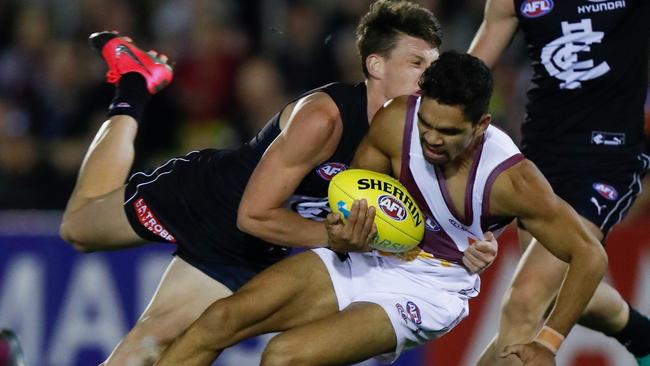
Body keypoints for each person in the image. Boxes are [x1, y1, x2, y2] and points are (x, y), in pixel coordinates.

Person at [58, 1, 497, 365]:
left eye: (433, 65)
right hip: (212, 203)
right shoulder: (324, 118)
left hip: (267, 242)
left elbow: (443, 205)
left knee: (155, 341)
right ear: (375, 65)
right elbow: (253, 214)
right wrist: (337, 239)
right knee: (78, 229)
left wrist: (478, 243)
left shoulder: (419, 132)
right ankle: (134, 85)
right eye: (417, 63)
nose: (428, 77)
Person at [153, 51, 607, 366]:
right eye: (426, 121)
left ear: (481, 124)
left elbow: (590, 255)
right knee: (218, 320)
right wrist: (346, 228)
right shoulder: (396, 121)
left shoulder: (511, 181)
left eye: (448, 132)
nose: (430, 137)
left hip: (430, 288)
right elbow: (353, 193)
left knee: (284, 356)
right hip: (373, 254)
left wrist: (549, 342)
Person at [468, 0, 650, 364]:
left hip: (607, 157)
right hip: (539, 162)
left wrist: (549, 343)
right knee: (548, 294)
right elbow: (467, 76)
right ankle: (640, 333)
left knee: (524, 301)